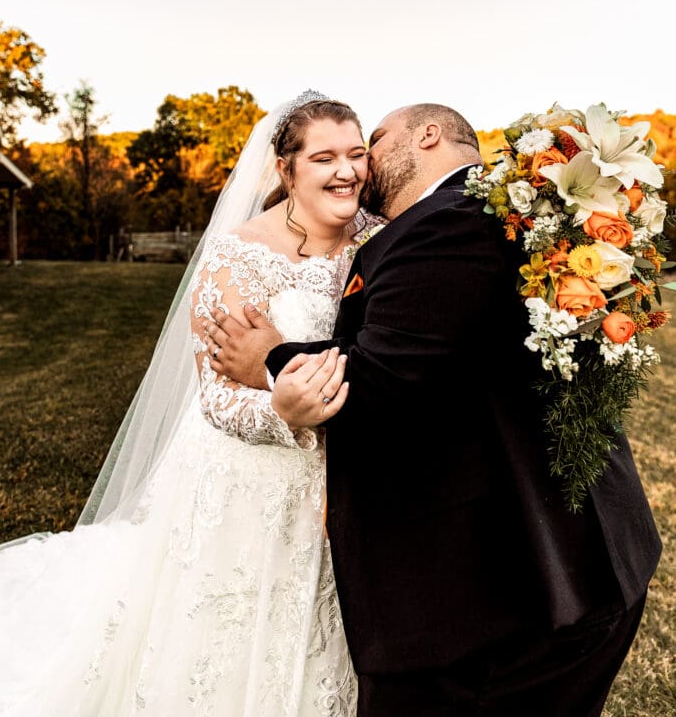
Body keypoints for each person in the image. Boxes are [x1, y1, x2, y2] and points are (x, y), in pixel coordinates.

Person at [206, 102, 662, 717]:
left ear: (426, 135)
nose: (359, 166)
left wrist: (271, 357)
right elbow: (442, 357)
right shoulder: (510, 215)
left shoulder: (444, 224)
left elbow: (384, 377)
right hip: (569, 561)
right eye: (329, 156)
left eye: (372, 142)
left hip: (502, 602)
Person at [0, 92, 372, 716]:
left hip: (349, 481)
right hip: (252, 486)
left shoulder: (383, 239)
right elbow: (219, 396)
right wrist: (284, 410)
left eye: (356, 154)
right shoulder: (239, 256)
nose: (346, 171)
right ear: (286, 169)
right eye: (324, 157)